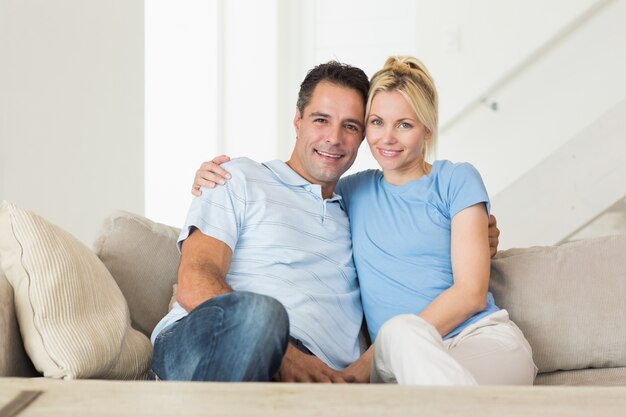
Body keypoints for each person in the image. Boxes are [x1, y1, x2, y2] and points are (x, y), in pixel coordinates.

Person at [192, 56, 536, 385]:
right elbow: (300, 188)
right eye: (376, 122)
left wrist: (365, 364)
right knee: (402, 343)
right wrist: (216, 177)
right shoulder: (351, 191)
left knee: (401, 336)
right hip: (399, 357)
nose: (387, 137)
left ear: (427, 129)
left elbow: (471, 292)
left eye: (404, 124)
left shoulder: (455, 179)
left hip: (477, 340)